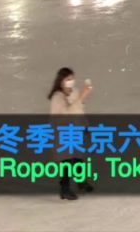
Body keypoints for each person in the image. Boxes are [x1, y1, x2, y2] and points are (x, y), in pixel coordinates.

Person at [48, 67, 94, 200]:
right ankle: (64, 189)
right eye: (68, 79)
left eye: (72, 78)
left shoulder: (75, 92)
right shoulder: (57, 97)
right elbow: (66, 115)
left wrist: (85, 125)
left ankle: (81, 182)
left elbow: (80, 110)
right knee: (66, 161)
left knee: (78, 158)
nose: (71, 81)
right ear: (61, 81)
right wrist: (82, 98)